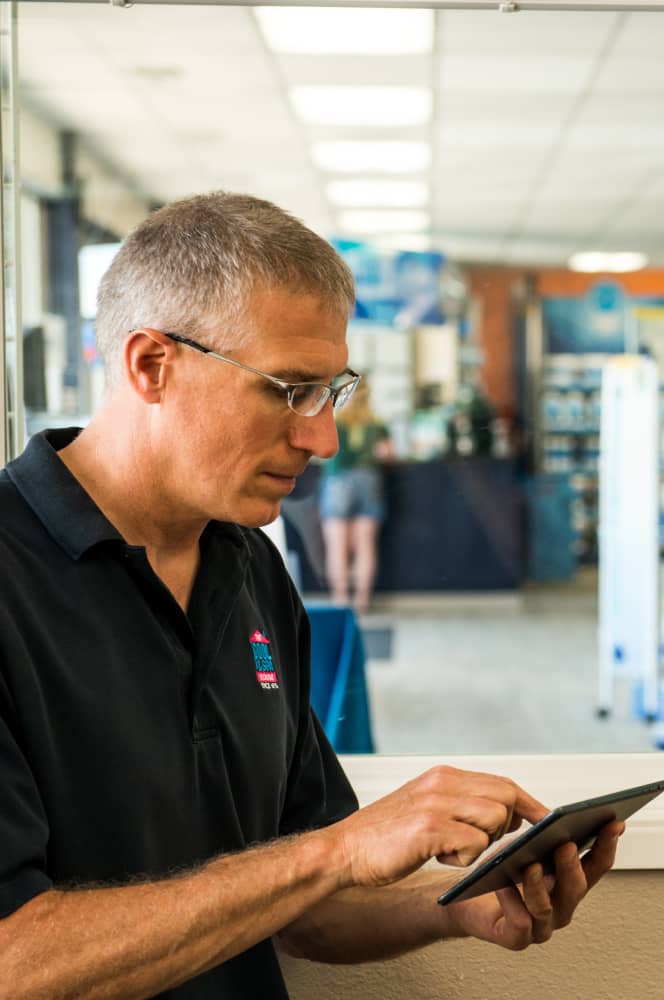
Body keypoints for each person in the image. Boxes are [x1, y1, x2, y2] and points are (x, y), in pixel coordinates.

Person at [0, 192, 623, 999]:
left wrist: (455, 907)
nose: (321, 437)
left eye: (332, 389)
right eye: (287, 389)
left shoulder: (251, 567)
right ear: (152, 365)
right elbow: (15, 961)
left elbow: (302, 910)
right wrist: (337, 851)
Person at [319, 377, 395, 613]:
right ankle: (362, 602)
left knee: (337, 546)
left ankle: (341, 601)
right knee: (365, 545)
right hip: (369, 481)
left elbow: (322, 453)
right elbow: (387, 454)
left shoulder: (334, 420)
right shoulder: (377, 422)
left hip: (338, 482)